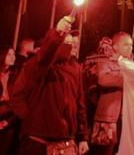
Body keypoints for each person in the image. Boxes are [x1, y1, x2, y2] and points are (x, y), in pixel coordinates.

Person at [10, 16, 89, 155]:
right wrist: (57, 32)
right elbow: (46, 54)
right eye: (66, 41)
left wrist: (83, 136)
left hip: (66, 142)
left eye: (72, 42)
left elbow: (79, 103)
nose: (71, 45)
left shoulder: (75, 69)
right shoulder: (40, 65)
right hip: (37, 141)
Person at [90, 32, 133, 155]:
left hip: (126, 119)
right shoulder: (105, 62)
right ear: (115, 47)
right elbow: (103, 79)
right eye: (126, 44)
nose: (130, 47)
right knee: (104, 152)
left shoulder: (132, 65)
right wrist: (129, 79)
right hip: (108, 119)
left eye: (131, 45)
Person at [0, 47, 18, 155]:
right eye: (9, 54)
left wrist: (8, 121)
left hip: (11, 115)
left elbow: (19, 100)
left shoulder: (16, 74)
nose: (13, 57)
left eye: (14, 54)